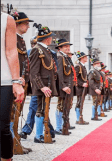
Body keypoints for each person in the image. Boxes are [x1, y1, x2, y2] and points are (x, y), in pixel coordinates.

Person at [1, 11, 25, 161]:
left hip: (3, 80)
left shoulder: (6, 19)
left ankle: (6, 158)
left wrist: (16, 81)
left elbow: (11, 51)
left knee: (2, 127)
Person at [9, 11, 34, 154]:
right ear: (17, 24)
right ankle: (11, 143)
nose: (28, 26)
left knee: (17, 113)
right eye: (26, 23)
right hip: (15, 82)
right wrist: (16, 78)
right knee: (12, 113)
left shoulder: (20, 40)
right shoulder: (12, 39)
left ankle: (16, 142)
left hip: (22, 82)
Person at [29, 25, 58, 143]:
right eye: (50, 37)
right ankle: (39, 135)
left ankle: (43, 133)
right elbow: (34, 71)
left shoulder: (45, 49)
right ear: (47, 38)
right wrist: (42, 86)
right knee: (40, 110)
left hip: (48, 85)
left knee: (45, 109)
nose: (51, 39)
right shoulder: (37, 49)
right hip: (43, 87)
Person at [55, 38, 76, 135]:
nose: (68, 48)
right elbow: (59, 73)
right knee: (60, 106)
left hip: (68, 86)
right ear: (60, 48)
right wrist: (63, 86)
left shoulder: (66, 58)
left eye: (68, 46)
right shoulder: (60, 57)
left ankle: (64, 125)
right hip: (63, 87)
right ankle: (59, 127)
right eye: (65, 46)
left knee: (66, 106)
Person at [74, 51, 89, 124]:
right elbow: (75, 77)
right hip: (79, 88)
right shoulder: (78, 66)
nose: (87, 58)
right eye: (85, 57)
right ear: (82, 58)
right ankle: (78, 118)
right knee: (79, 103)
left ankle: (80, 117)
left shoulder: (82, 66)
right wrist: (82, 84)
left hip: (83, 88)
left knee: (81, 103)